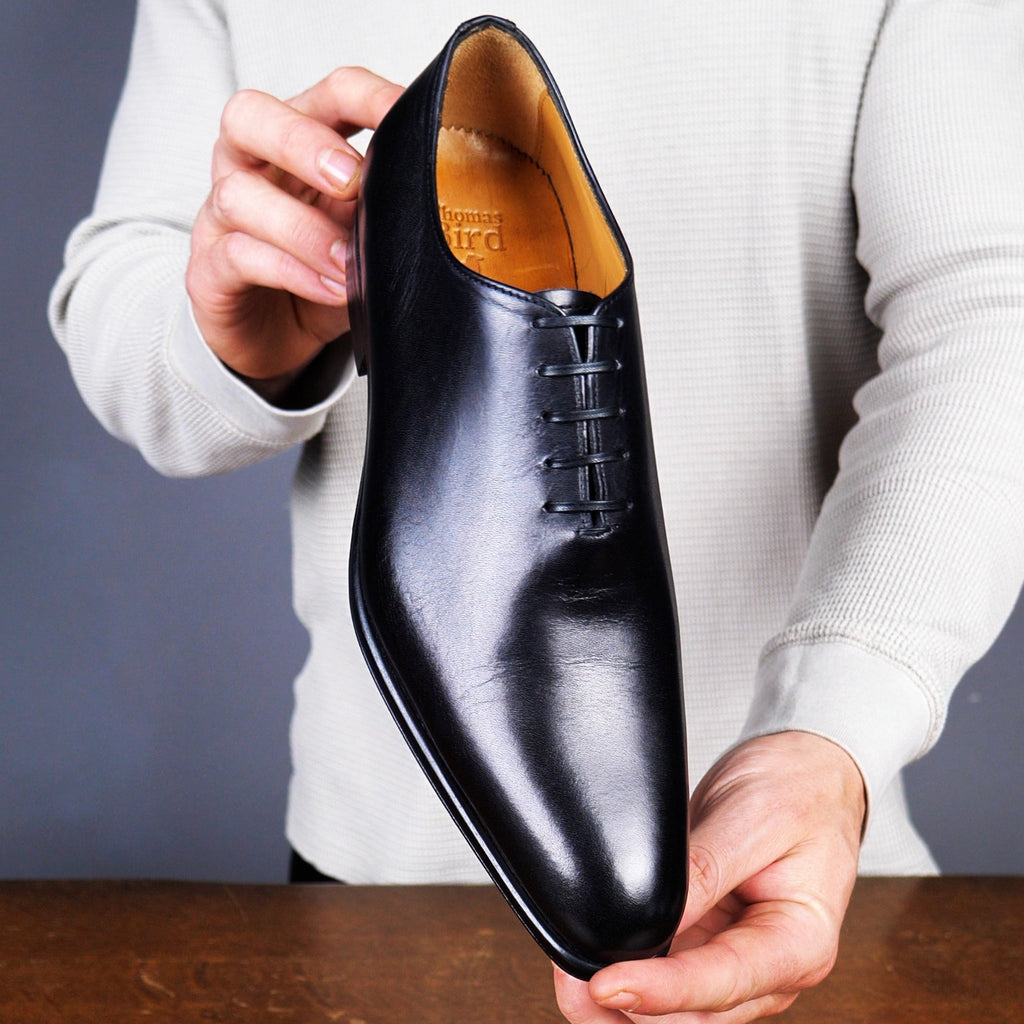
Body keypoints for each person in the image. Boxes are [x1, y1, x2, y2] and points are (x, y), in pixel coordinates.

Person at [49, 1, 1024, 1021]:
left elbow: (988, 315)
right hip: (366, 891)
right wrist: (229, 334)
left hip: (798, 869)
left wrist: (832, 721)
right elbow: (116, 295)